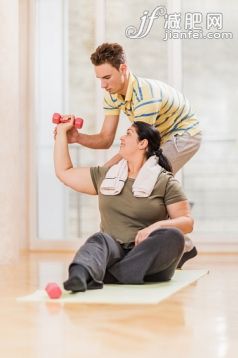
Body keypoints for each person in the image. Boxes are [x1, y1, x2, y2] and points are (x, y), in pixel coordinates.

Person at [54, 118, 194, 292]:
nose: (121, 138)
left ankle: (107, 275)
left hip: (148, 257)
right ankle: (79, 276)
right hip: (114, 251)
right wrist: (61, 133)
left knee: (174, 236)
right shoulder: (105, 176)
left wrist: (156, 227)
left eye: (128, 134)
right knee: (100, 239)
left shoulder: (165, 181)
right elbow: (64, 172)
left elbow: (187, 222)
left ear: (143, 143)